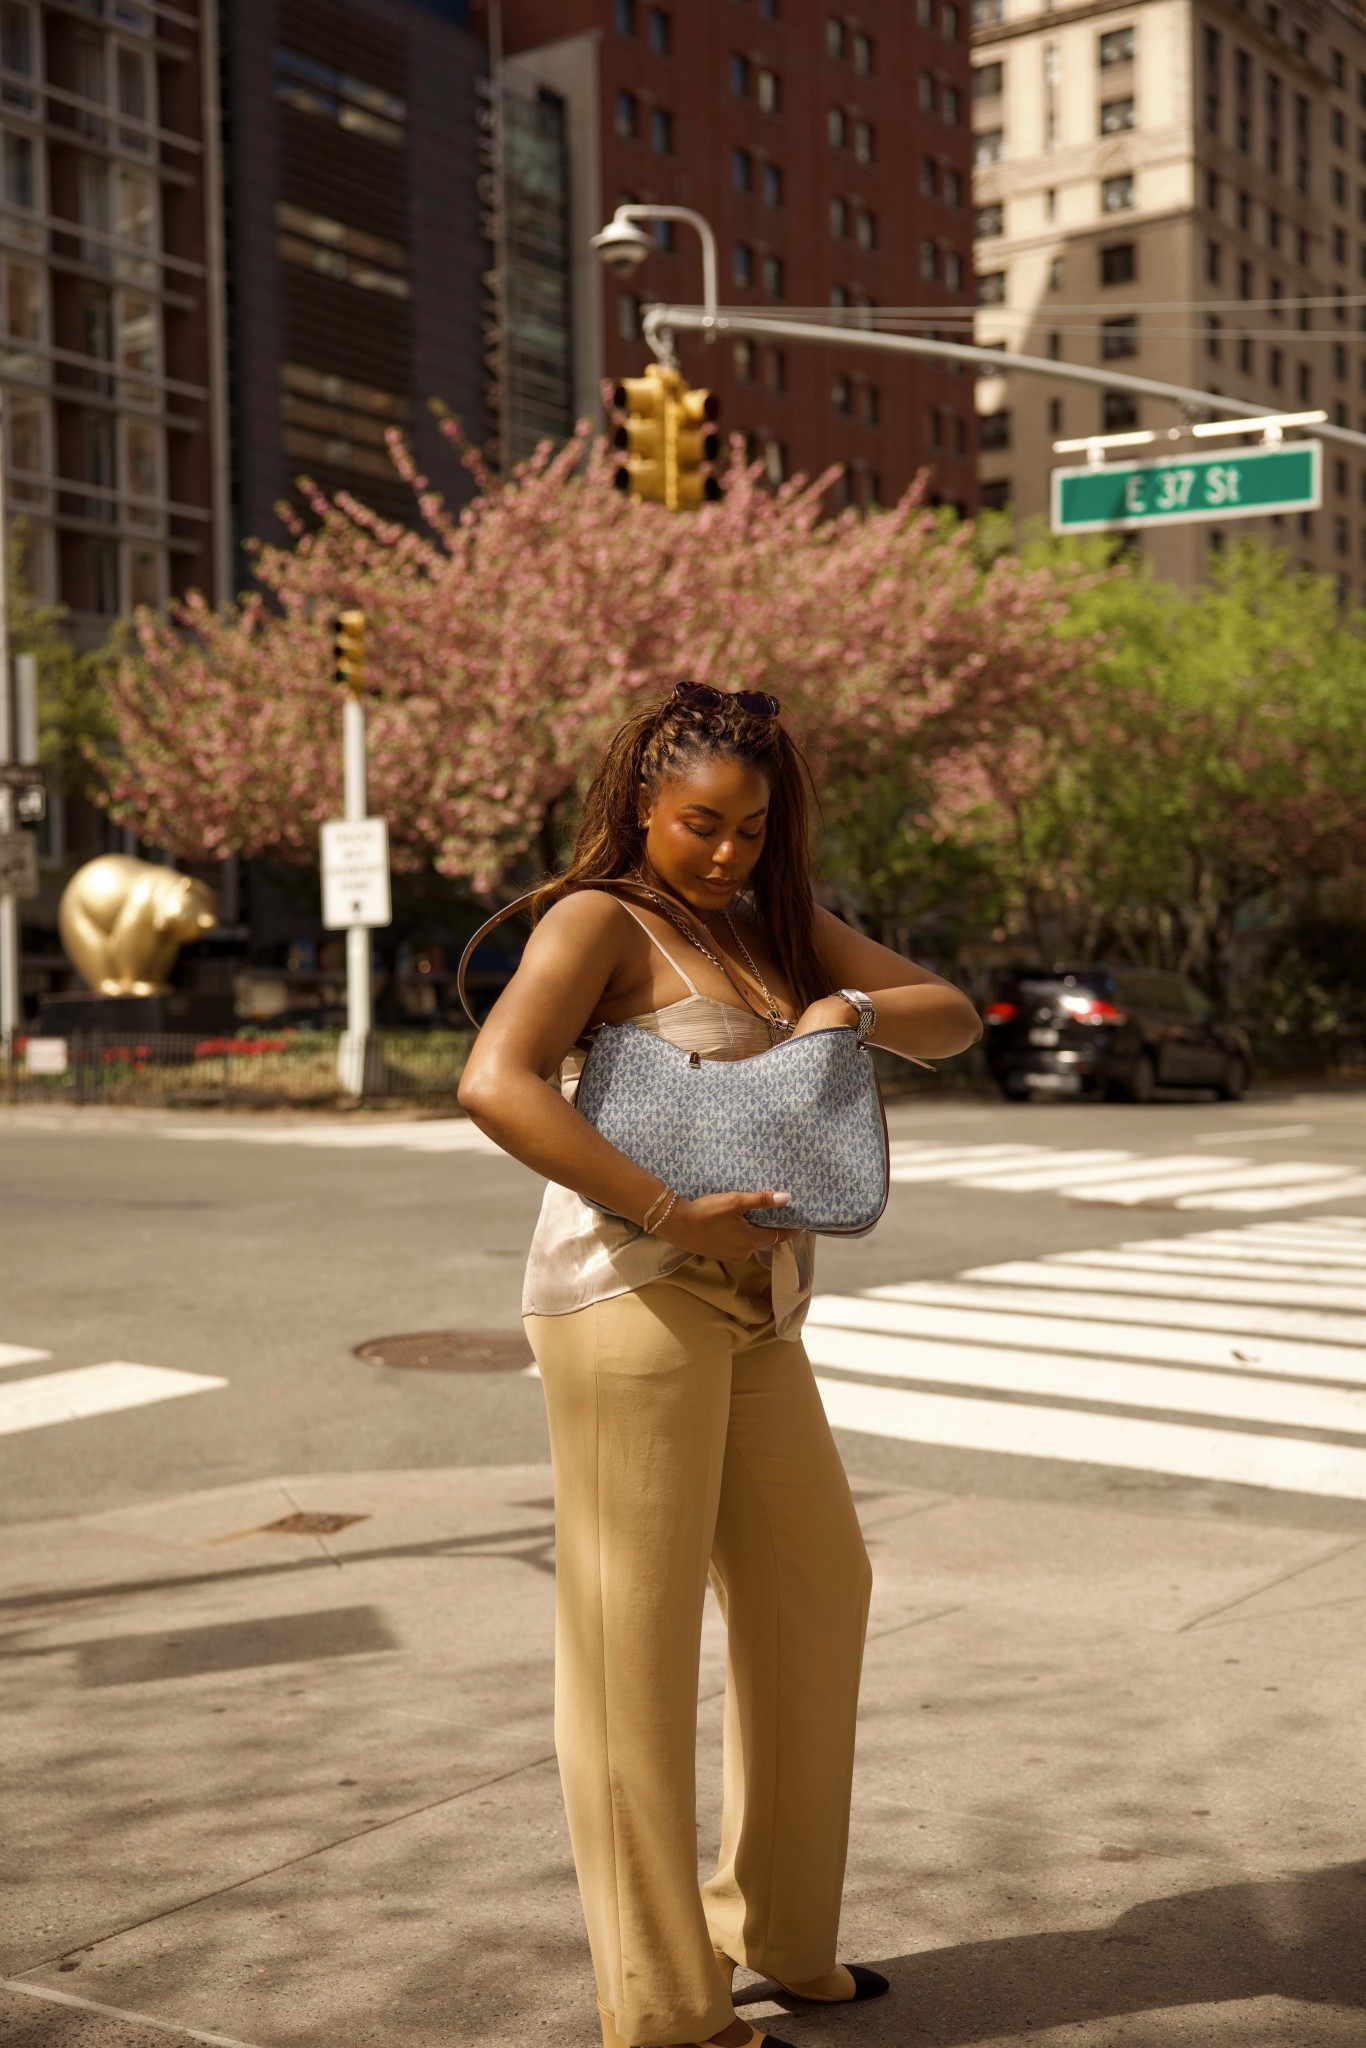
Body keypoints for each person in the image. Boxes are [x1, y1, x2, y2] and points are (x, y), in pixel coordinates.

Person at [458, 682, 983, 2048]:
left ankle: (773, 1930)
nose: (728, 854)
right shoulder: (598, 919)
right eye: (702, 825)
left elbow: (953, 1019)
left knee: (817, 1590)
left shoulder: (768, 923)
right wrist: (662, 1207)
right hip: (628, 1296)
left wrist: (846, 1011)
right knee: (631, 1647)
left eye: (752, 830)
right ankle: (660, 2003)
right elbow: (494, 1081)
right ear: (643, 800)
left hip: (757, 1311)